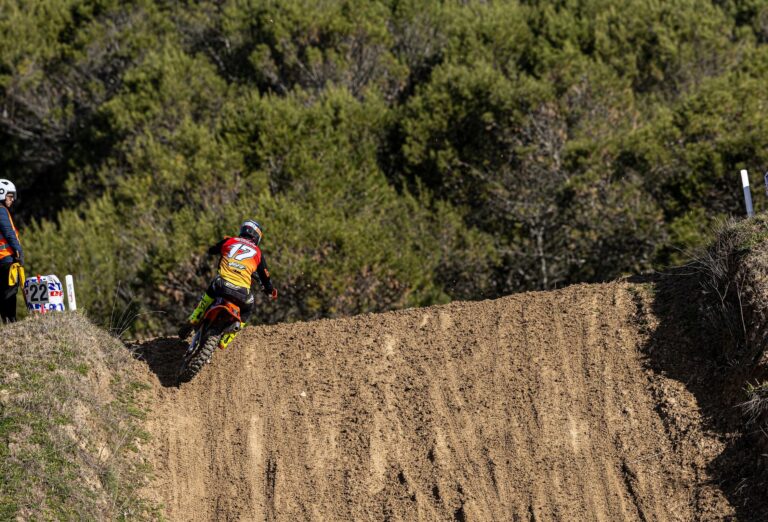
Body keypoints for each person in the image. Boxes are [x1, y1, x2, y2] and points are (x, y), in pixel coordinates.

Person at [179, 220, 277, 348]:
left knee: (212, 287)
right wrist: (270, 290)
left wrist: (218, 247)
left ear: (243, 230)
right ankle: (227, 339)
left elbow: (211, 250)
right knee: (248, 308)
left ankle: (196, 314)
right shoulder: (258, 253)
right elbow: (265, 276)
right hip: (242, 293)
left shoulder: (229, 241)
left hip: (222, 285)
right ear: (257, 237)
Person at [0, 179, 22, 323]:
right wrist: (18, 250)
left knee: (2, 292)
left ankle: (6, 322)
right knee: (10, 291)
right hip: (7, 258)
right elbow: (8, 232)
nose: (12, 199)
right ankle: (11, 322)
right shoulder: (1, 210)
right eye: (10, 195)